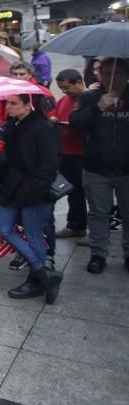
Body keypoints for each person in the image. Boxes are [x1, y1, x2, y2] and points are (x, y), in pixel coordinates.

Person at [0, 93, 63, 302]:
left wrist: (33, 191)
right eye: (7, 102)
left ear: (28, 106)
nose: (8, 107)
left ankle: (38, 279)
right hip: (14, 189)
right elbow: (6, 161)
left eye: (13, 103)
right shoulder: (12, 126)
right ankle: (44, 273)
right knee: (2, 228)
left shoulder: (44, 128)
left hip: (34, 192)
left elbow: (49, 166)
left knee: (33, 233)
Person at [70, 57, 129, 274]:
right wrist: (98, 107)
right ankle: (98, 254)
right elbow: (75, 123)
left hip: (126, 169)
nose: (112, 77)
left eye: (119, 73)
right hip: (97, 167)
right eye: (105, 73)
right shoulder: (89, 97)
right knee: (98, 214)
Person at [52, 69, 88, 240]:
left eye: (67, 87)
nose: (64, 92)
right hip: (65, 153)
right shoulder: (63, 101)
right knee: (71, 191)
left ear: (79, 82)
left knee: (87, 192)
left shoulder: (88, 100)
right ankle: (75, 225)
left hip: (83, 153)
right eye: (61, 88)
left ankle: (90, 228)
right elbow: (55, 115)